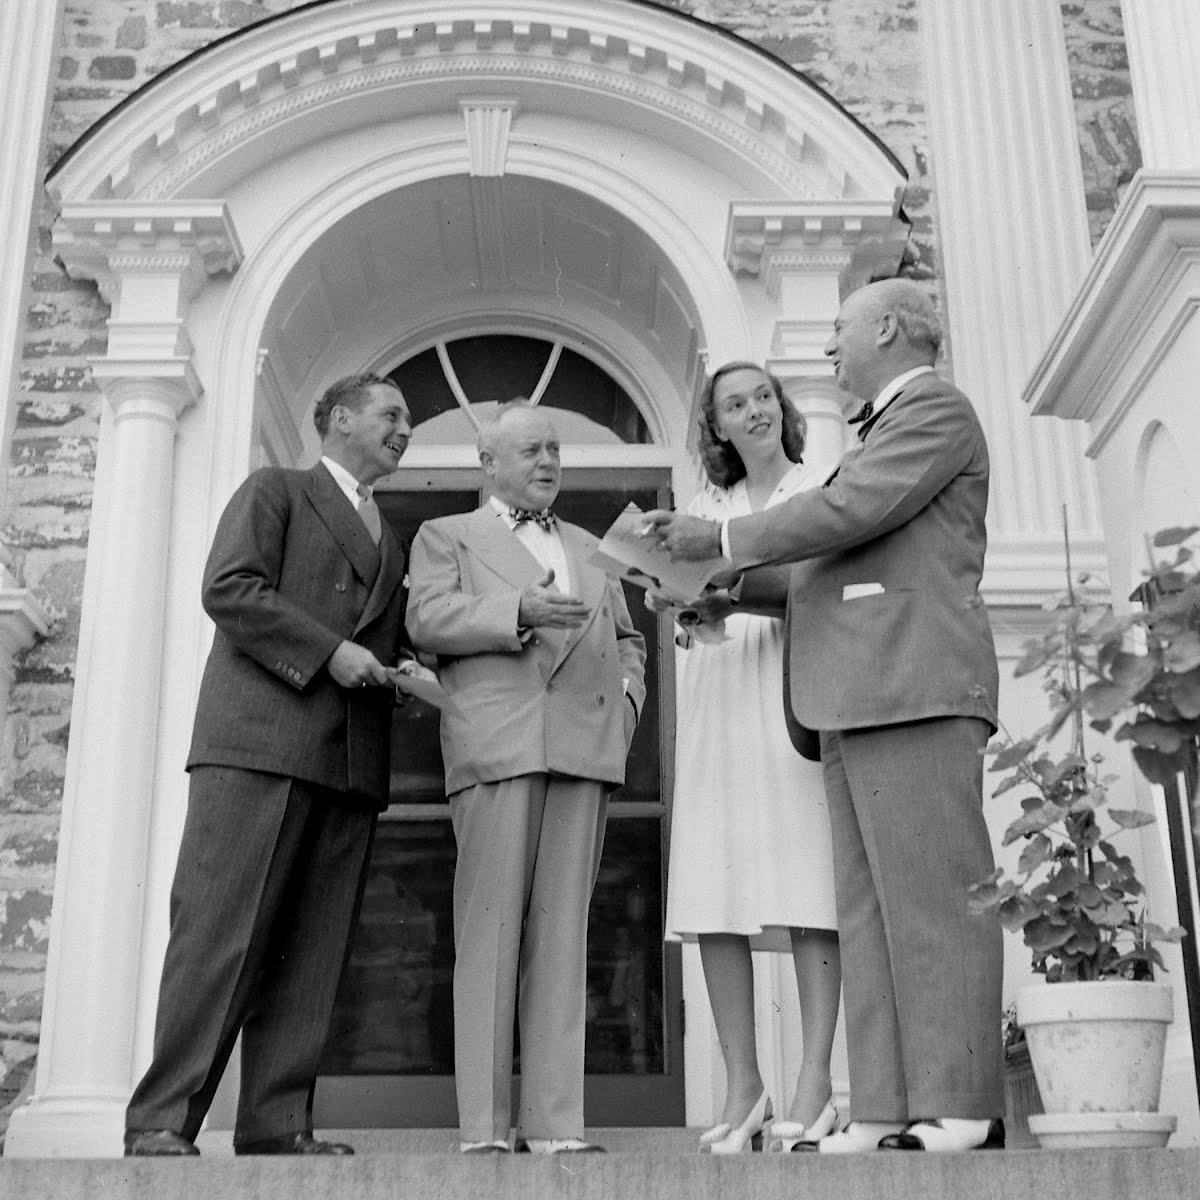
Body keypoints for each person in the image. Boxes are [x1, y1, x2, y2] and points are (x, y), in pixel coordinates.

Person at [644, 279, 1004, 1154]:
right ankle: (882, 1106)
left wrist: (720, 543)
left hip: (913, 686)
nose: (832, 347)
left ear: (889, 328)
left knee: (931, 900)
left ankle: (960, 1105)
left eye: (843, 329)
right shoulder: (880, 431)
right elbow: (826, 568)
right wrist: (731, 594)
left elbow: (849, 511)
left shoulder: (933, 410)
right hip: (852, 695)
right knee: (870, 916)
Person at [124, 373, 414, 1157]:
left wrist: (405, 669)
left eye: (408, 419)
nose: (404, 428)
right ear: (340, 419)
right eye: (390, 413)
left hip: (349, 764)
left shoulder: (389, 536)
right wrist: (330, 653)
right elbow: (229, 589)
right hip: (259, 747)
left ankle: (278, 1124)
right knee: (220, 937)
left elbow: (378, 637)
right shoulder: (276, 491)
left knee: (312, 952)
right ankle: (161, 1121)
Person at [405, 401, 647, 1155]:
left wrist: (626, 709)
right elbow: (427, 619)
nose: (548, 462)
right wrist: (518, 608)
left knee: (563, 939)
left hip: (584, 748)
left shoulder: (591, 546)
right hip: (499, 745)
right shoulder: (446, 535)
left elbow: (631, 640)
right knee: (489, 936)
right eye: (531, 450)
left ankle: (553, 1125)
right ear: (488, 464)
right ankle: (483, 1128)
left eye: (555, 449)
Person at [649, 362, 840, 1154]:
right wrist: (677, 598)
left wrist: (735, 589)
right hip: (720, 689)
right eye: (736, 403)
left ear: (782, 408)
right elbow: (684, 600)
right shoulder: (703, 511)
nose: (755, 410)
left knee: (809, 882)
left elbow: (822, 584)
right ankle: (743, 1084)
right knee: (713, 889)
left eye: (764, 396)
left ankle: (816, 1082)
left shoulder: (818, 487)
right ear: (717, 426)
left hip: (792, 689)